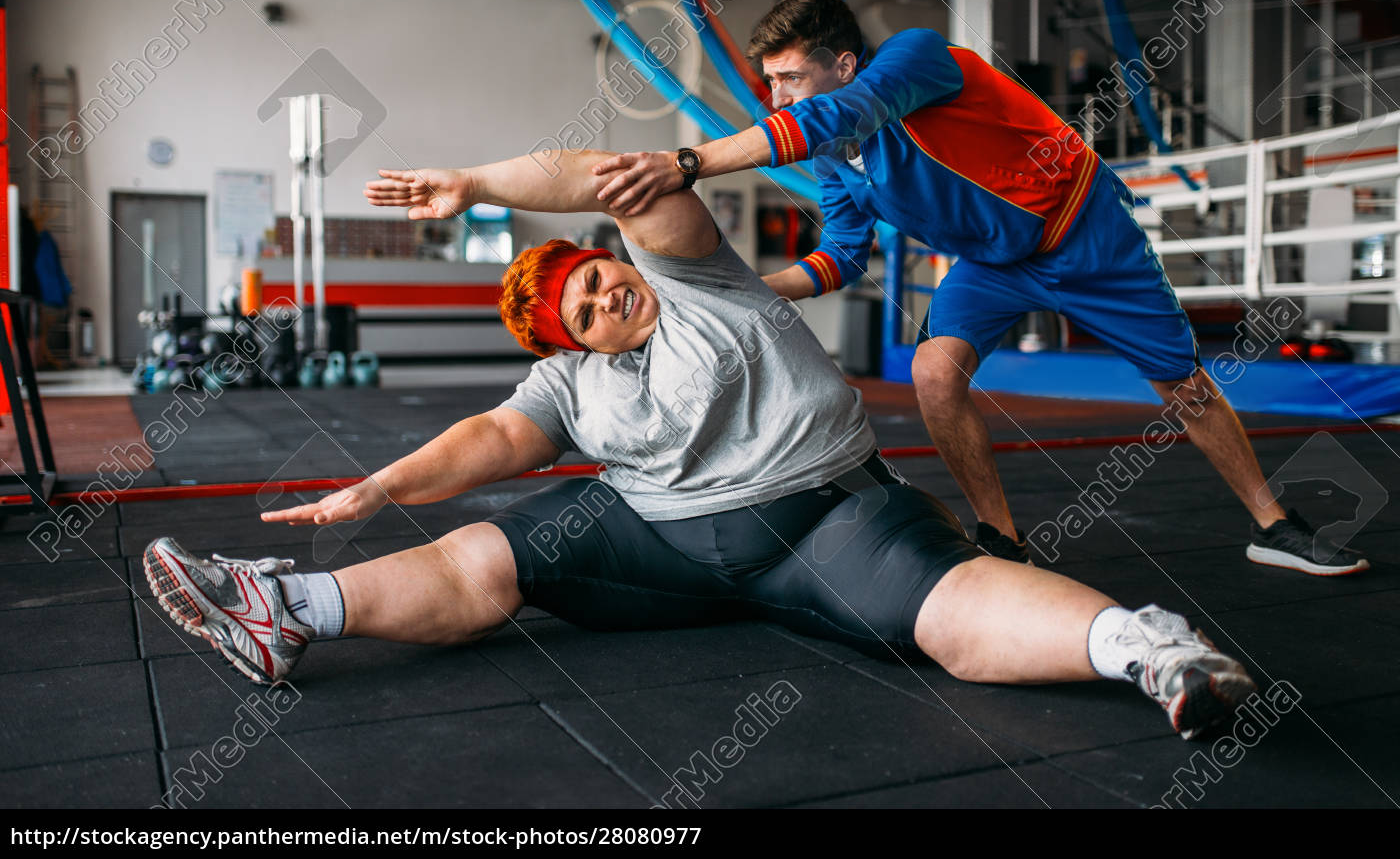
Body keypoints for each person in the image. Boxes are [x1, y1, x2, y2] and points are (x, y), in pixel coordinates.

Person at [143, 147, 1256, 741]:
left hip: (828, 516)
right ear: (560, 341)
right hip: (664, 540)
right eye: (577, 311)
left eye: (597, 276)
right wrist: (377, 486)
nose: (602, 299)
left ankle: (1151, 651)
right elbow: (492, 434)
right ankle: (284, 611)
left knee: (951, 616)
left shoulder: (691, 272)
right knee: (490, 556)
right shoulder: (569, 385)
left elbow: (605, 178)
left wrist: (475, 184)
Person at [586, 0, 1367, 578]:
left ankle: (1272, 524)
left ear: (845, 63)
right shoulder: (834, 160)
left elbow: (834, 116)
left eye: (791, 77)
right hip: (992, 266)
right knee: (933, 371)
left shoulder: (918, 59)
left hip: (1082, 229)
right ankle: (1002, 536)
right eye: (773, 82)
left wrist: (685, 161)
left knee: (1182, 386)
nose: (780, 95)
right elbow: (842, 257)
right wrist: (748, 291)